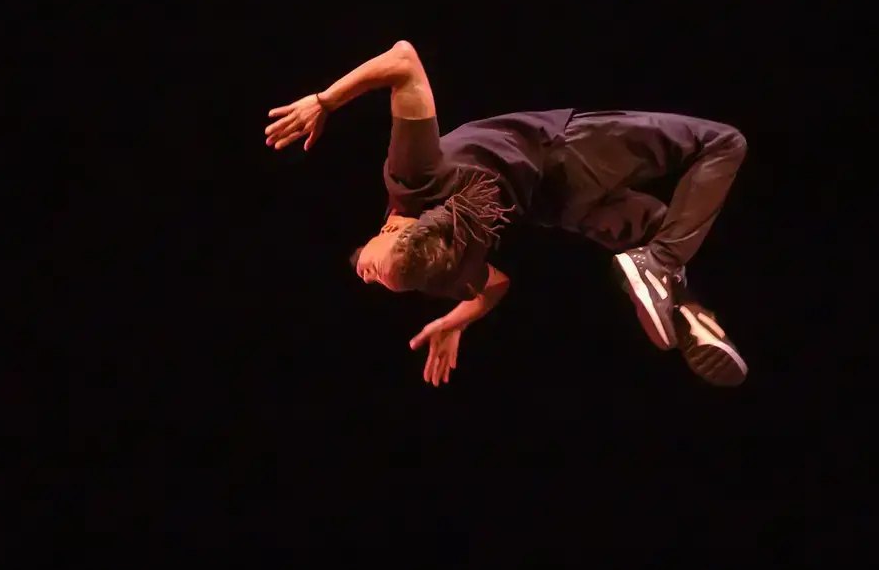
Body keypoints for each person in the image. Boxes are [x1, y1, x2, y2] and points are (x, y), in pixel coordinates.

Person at [265, 41, 749, 388]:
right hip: (563, 156)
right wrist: (324, 101)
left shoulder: (441, 244)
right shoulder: (414, 188)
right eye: (384, 279)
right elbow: (404, 60)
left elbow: (493, 284)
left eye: (369, 274)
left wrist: (460, 314)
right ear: (394, 227)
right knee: (722, 146)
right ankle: (662, 274)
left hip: (563, 202)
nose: (367, 277)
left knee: (663, 229)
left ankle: (687, 309)